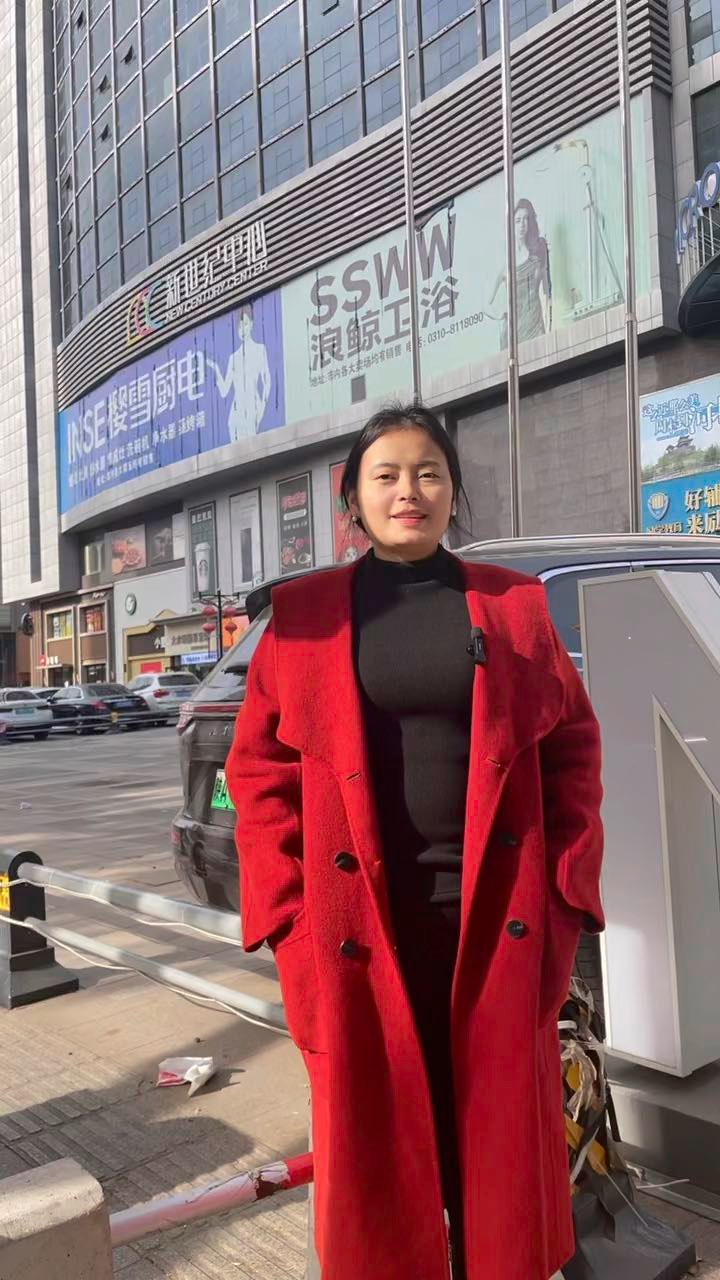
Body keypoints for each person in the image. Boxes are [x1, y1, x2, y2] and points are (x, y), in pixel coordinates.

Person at [225, 402, 604, 1280]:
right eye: (387, 475)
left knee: (496, 1159)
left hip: (494, 928)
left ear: (452, 492)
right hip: (358, 936)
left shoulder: (514, 607)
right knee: (380, 1165)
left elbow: (573, 752)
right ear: (353, 500)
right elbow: (258, 777)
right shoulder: (305, 616)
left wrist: (567, 892)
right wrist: (286, 919)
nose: (410, 491)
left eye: (430, 473)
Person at [489, 197, 551, 346]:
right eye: (517, 221)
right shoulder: (505, 260)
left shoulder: (539, 249)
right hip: (513, 334)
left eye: (526, 219)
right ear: (511, 224)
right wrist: (499, 314)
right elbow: (486, 303)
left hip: (536, 326)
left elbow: (547, 293)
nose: (522, 225)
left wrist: (549, 324)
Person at [208, 305, 271, 441]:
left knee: (252, 449)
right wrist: (216, 369)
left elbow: (267, 382)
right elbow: (224, 390)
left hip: (252, 407)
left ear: (252, 324)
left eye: (245, 324)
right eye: (240, 327)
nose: (242, 330)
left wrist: (261, 408)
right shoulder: (233, 357)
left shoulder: (260, 350)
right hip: (236, 414)